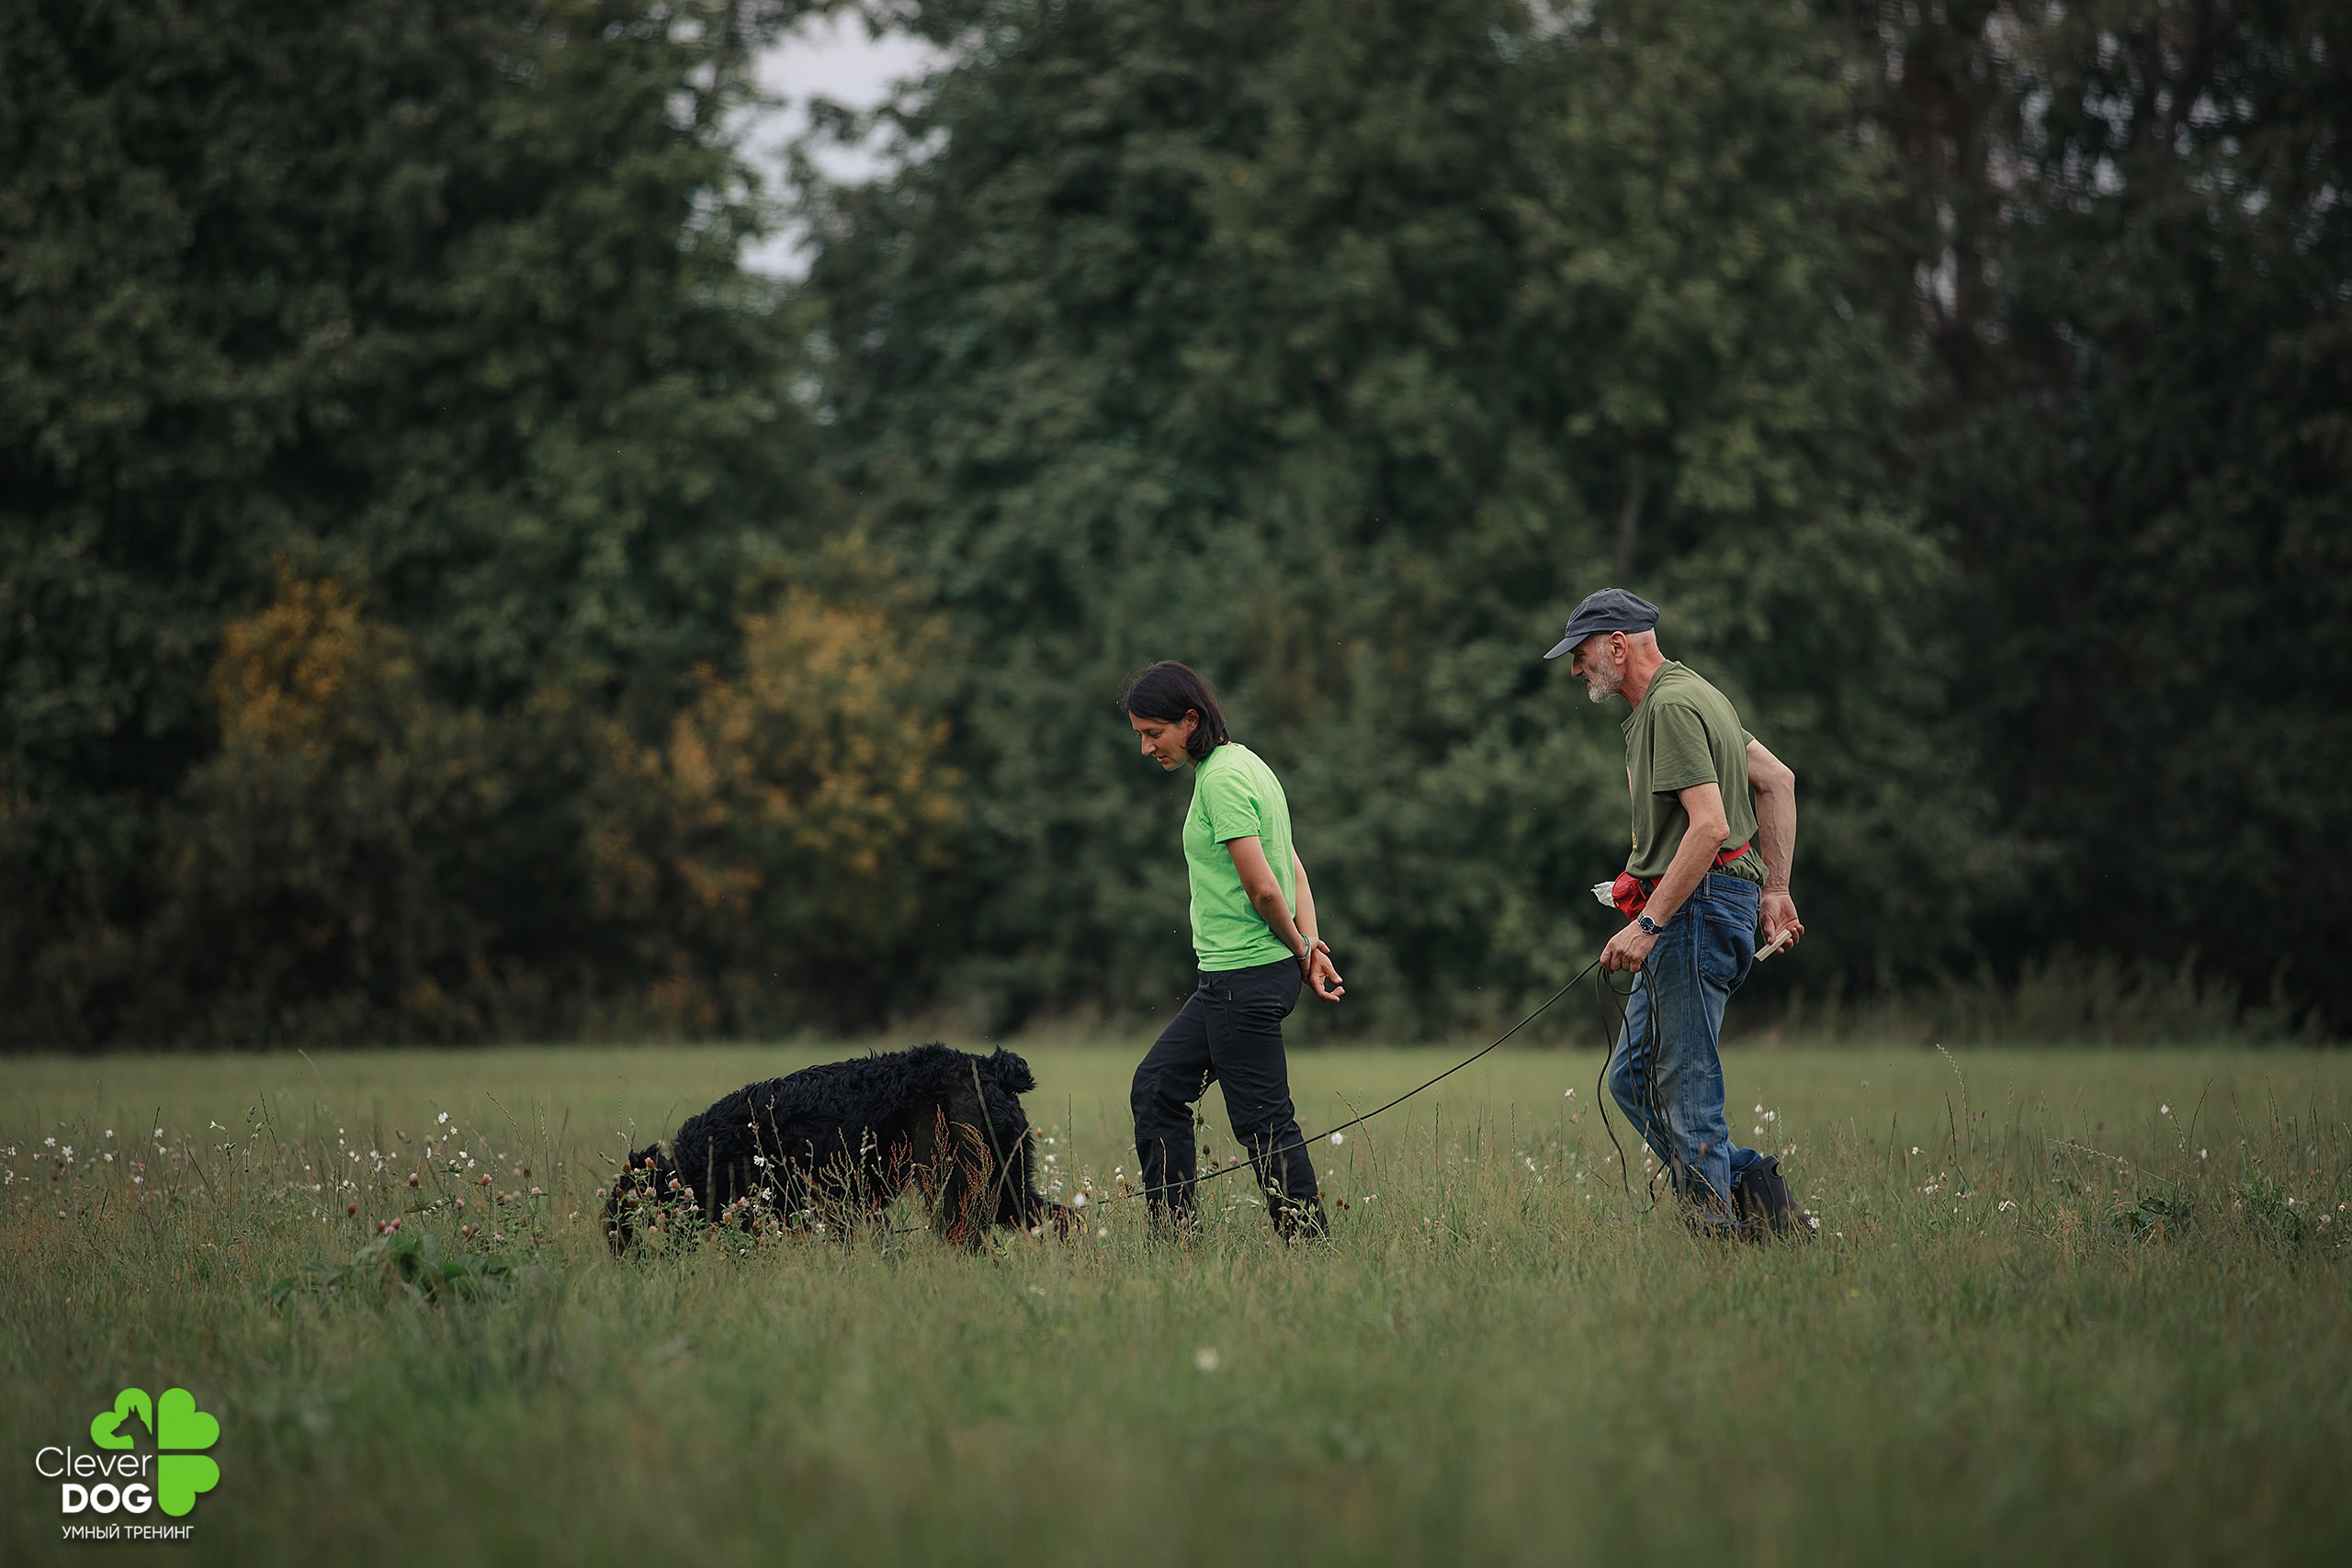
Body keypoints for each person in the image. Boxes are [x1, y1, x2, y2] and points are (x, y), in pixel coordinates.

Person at [1544, 589, 1807, 1234]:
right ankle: (1755, 1193)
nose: (1577, 670)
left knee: (1685, 1084)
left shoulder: (1669, 706)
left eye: (1580, 655)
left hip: (1695, 913)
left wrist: (1648, 921)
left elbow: (1711, 825)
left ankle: (1721, 1234)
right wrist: (1774, 890)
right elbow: (1776, 779)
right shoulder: (1700, 695)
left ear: (1616, 644)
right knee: (1633, 1078)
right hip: (1709, 905)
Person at [1123, 660, 1345, 1239]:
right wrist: (1310, 942)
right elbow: (1290, 859)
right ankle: (1175, 1235)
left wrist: (1301, 948)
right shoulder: (1248, 764)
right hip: (1238, 977)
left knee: (1264, 1122)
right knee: (1157, 1087)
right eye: (1141, 735)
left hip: (1242, 977)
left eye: (1154, 733)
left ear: (1190, 720)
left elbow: (1264, 885)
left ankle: (1308, 1245)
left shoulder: (1220, 779)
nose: (1147, 748)